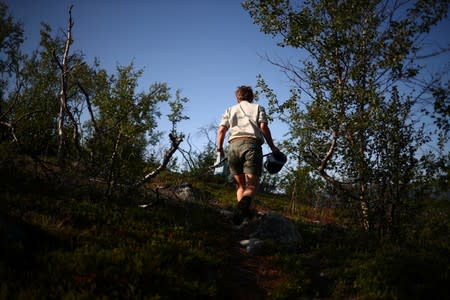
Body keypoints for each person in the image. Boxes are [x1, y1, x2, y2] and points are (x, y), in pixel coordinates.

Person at [216, 85, 280, 225]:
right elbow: (263, 127)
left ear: (237, 97)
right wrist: (273, 147)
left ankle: (243, 216)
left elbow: (221, 130)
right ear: (251, 97)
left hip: (233, 147)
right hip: (252, 146)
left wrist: (219, 150)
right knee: (252, 185)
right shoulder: (258, 108)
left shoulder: (229, 110)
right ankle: (241, 209)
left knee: (240, 186)